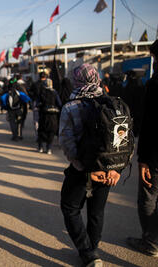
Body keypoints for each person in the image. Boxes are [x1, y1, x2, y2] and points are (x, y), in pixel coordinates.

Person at [59, 64, 122, 267]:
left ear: (77, 81)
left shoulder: (71, 106)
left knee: (70, 207)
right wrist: (115, 168)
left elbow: (67, 143)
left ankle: (89, 253)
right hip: (107, 168)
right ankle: (92, 249)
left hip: (82, 168)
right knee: (96, 212)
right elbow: (121, 141)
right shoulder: (112, 103)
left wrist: (82, 167)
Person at [126, 40, 158, 257]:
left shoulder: (155, 85)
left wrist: (144, 159)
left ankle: (151, 241)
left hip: (155, 156)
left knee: (148, 196)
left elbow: (151, 124)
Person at [37, 78, 62, 154]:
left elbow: (37, 103)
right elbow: (59, 103)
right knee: (51, 131)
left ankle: (40, 147)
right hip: (52, 115)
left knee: (41, 130)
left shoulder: (42, 92)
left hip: (43, 114)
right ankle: (49, 148)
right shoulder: (54, 92)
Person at [29, 72, 47, 139]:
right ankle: (45, 135)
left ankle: (38, 136)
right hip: (46, 104)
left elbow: (30, 92)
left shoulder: (35, 84)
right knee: (45, 119)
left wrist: (34, 97)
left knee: (36, 121)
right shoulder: (47, 84)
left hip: (36, 103)